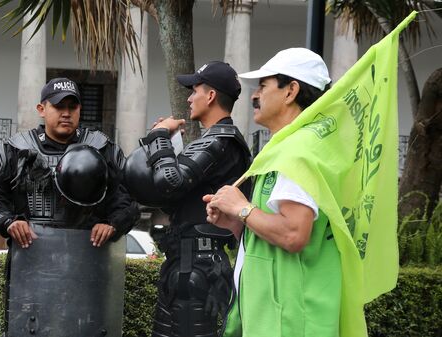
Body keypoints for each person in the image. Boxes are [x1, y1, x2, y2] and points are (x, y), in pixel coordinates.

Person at [0, 77, 139, 335]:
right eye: (59, 106)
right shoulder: (17, 150)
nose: (66, 113)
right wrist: (9, 222)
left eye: (73, 106)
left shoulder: (102, 148)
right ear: (41, 109)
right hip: (30, 266)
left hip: (87, 266)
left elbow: (128, 198)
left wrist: (112, 224)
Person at [203, 48, 336, 337]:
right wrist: (237, 224)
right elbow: (275, 234)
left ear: (291, 92)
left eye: (263, 85)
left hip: (292, 323)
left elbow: (293, 234)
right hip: (274, 321)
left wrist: (243, 209)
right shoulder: (285, 148)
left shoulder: (299, 150)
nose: (254, 95)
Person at [124, 61, 252, 337]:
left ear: (211, 96)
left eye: (194, 90)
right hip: (188, 261)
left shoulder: (220, 140)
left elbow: (170, 182)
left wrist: (159, 136)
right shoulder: (215, 141)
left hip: (198, 268)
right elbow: (173, 200)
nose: (189, 98)